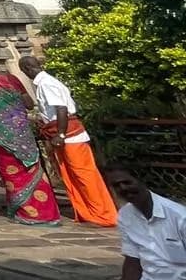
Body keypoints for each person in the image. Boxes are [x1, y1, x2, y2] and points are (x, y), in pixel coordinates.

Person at [0, 56, 60, 227]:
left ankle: (28, 213)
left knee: (13, 174)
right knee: (33, 170)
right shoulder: (12, 79)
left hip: (2, 136)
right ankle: (47, 212)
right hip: (23, 133)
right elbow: (29, 104)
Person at [19, 56, 117, 227]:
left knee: (83, 175)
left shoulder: (46, 83)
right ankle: (91, 212)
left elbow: (61, 108)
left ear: (27, 68)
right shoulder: (46, 83)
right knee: (73, 175)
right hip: (64, 133)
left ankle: (102, 215)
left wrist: (61, 134)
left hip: (70, 136)